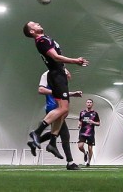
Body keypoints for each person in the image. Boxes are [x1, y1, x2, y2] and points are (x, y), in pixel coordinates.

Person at [24, 21, 88, 165]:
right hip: (56, 76)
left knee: (64, 112)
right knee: (63, 110)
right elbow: (55, 57)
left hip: (59, 73)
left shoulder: (45, 38)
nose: (37, 23)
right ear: (32, 32)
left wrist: (64, 69)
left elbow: (57, 59)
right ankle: (38, 133)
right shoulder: (41, 41)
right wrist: (75, 61)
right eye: (33, 24)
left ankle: (51, 142)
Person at [37, 69, 83, 170]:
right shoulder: (47, 74)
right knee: (64, 134)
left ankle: (37, 140)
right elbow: (41, 90)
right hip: (54, 108)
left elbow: (63, 91)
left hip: (60, 108)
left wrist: (72, 93)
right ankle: (70, 162)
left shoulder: (61, 71)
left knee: (58, 133)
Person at [78, 98, 101, 167]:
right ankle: (85, 153)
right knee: (80, 146)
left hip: (90, 133)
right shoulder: (82, 112)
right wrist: (79, 124)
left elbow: (99, 123)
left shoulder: (95, 113)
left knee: (90, 148)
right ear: (86, 103)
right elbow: (80, 120)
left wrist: (93, 122)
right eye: (88, 102)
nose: (89, 103)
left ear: (92, 104)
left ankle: (88, 162)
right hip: (82, 132)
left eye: (90, 102)